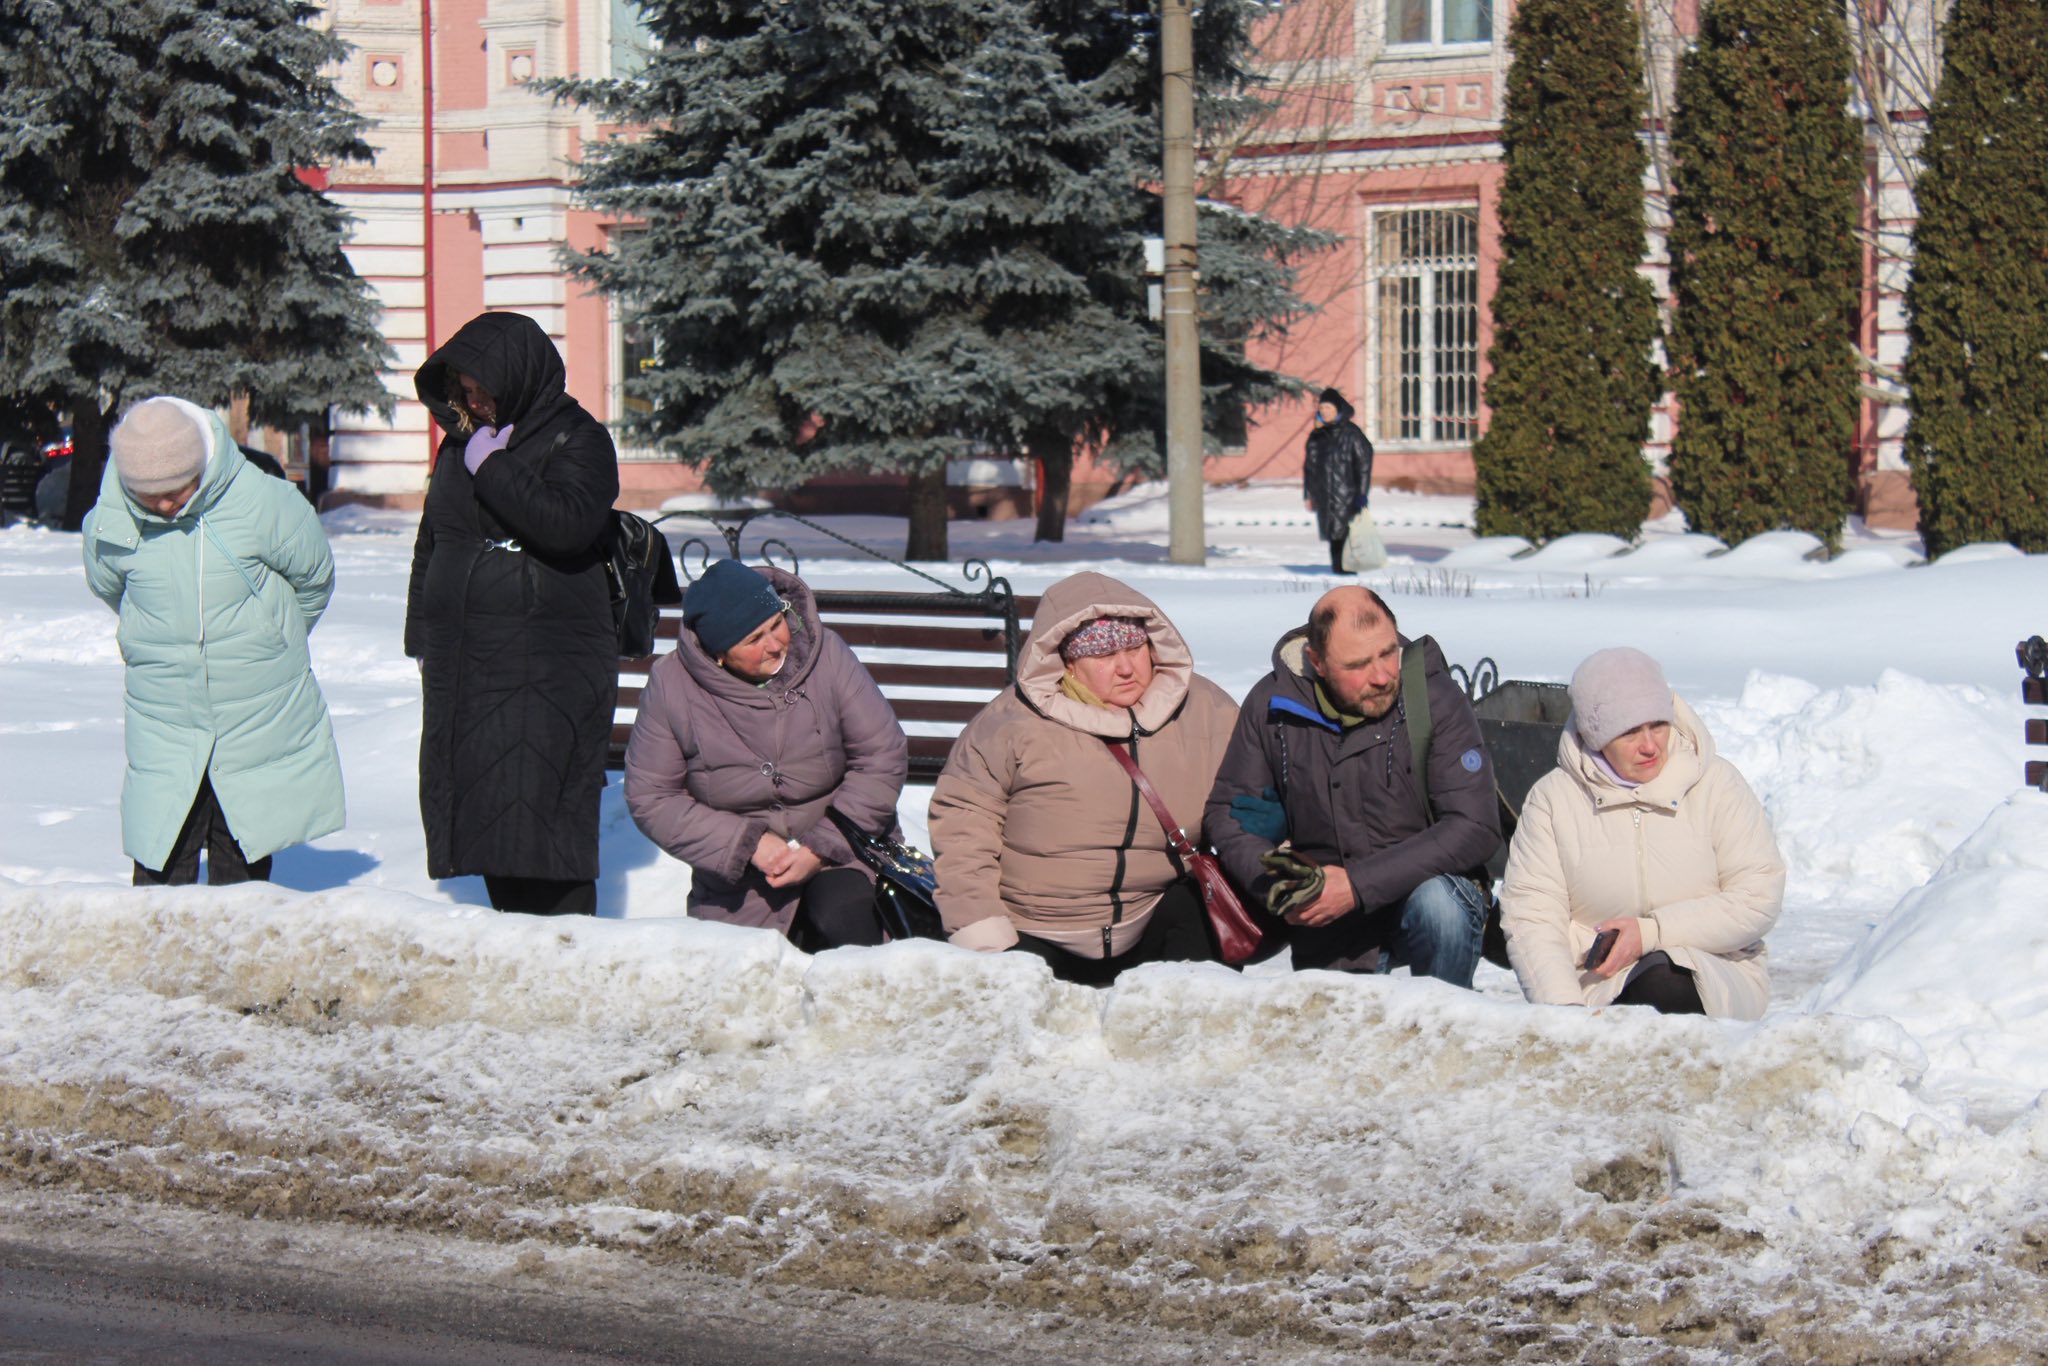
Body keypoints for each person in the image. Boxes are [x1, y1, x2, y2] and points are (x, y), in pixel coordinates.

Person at [406, 311, 620, 916]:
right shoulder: (463, 443)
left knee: (544, 817)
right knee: (488, 808)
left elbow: (567, 524)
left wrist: (493, 467)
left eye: (483, 388)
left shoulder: (577, 437)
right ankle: (515, 952)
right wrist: (422, 633)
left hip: (549, 658)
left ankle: (567, 954)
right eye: (463, 391)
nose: (474, 401)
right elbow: (435, 539)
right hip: (467, 660)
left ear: (517, 375)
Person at [927, 572, 1240, 984]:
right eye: (1103, 655)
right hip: (1036, 930)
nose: (1127, 668)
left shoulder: (1204, 709)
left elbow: (1251, 800)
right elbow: (964, 828)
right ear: (1068, 664)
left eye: (1135, 647)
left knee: (1197, 924)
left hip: (1153, 916)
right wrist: (986, 936)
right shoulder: (1010, 723)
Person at [81, 397, 345, 885]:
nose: (163, 505)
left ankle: (237, 959)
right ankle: (159, 960)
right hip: (164, 710)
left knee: (241, 859)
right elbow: (109, 587)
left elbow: (314, 581)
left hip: (254, 709)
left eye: (174, 490)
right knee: (160, 856)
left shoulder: (264, 501)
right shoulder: (111, 518)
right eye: (147, 494)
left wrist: (270, 640)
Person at [1206, 585, 1499, 984]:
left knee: (1440, 907)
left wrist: (1358, 885)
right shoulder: (1272, 705)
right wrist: (1283, 885)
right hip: (1329, 916)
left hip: (1427, 891)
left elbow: (1474, 825)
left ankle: (1445, 1026)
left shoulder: (1432, 697)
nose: (1381, 676)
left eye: (1387, 652)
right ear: (1318, 662)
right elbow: (1228, 815)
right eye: (1358, 664)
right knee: (1343, 1034)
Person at [624, 559, 909, 948]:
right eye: (754, 639)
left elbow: (881, 754)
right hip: (740, 875)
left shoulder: (827, 656)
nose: (775, 644)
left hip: (846, 845)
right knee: (740, 971)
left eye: (777, 624)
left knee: (841, 916)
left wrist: (820, 846)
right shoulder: (671, 684)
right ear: (719, 653)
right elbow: (652, 797)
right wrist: (747, 843)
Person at [1497, 648, 1783, 1018]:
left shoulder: (1716, 784)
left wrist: (1652, 933)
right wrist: (1563, 1015)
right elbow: (1533, 915)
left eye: (1659, 725)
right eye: (1630, 731)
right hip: (1596, 986)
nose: (1650, 745)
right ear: (1596, 735)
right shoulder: (1554, 801)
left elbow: (1757, 896)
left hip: (1716, 973)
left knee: (1664, 980)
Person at [1303, 387, 1373, 574]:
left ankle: (1345, 570)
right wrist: (1308, 494)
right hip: (1324, 493)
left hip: (1347, 493)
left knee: (1344, 531)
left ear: (1338, 409)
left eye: (1328, 407)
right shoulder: (1317, 436)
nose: (1324, 411)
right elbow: (1309, 468)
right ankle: (1338, 568)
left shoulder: (1351, 433)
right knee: (1332, 532)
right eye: (1322, 408)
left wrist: (1362, 493)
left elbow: (1364, 463)